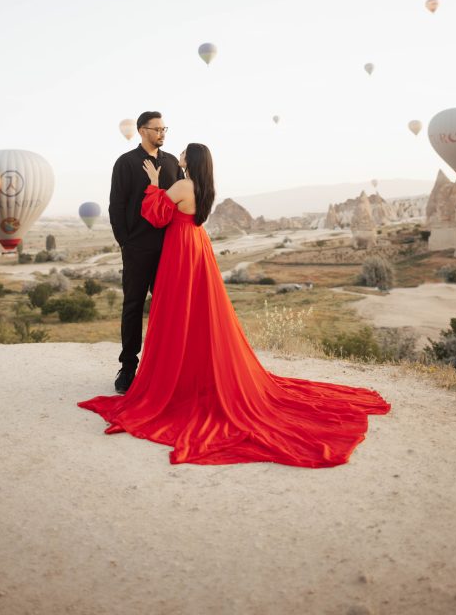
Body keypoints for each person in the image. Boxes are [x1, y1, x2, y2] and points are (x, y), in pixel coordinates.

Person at [79, 143, 391, 468]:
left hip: (180, 248)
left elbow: (155, 215)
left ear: (192, 159)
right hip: (197, 245)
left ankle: (176, 375)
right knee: (197, 311)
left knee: (178, 311)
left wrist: (155, 183)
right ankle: (193, 370)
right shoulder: (203, 187)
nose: (180, 154)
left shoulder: (182, 185)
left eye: (186, 152)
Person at [108, 111, 182, 395]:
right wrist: (124, 241)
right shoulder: (126, 163)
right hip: (137, 247)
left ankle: (167, 369)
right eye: (157, 128)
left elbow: (184, 198)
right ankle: (128, 368)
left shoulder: (173, 162)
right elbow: (117, 204)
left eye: (165, 128)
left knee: (168, 309)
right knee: (133, 306)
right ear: (141, 131)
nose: (163, 132)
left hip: (170, 248)